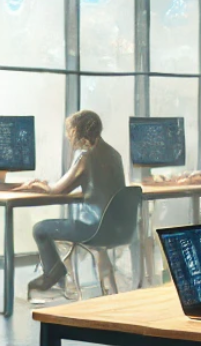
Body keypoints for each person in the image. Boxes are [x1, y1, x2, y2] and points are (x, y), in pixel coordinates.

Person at [15, 109, 126, 299]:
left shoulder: (85, 156)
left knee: (40, 229)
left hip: (92, 228)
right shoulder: (114, 154)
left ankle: (54, 275)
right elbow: (102, 185)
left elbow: (57, 189)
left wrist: (37, 184)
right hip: (117, 227)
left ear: (78, 132)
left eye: (70, 131)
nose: (68, 137)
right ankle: (63, 280)